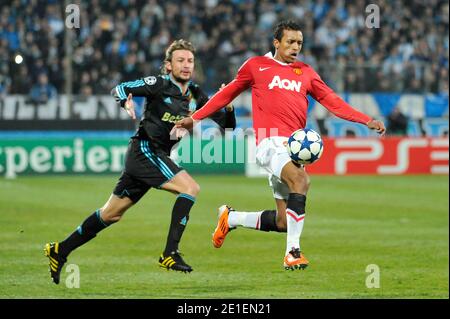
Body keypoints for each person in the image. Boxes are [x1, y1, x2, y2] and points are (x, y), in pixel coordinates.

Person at [173, 21, 386, 270]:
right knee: (301, 181)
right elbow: (226, 94)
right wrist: (195, 117)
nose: (296, 47)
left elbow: (332, 101)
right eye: (290, 42)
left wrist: (366, 120)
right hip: (269, 143)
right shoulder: (256, 66)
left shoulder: (306, 72)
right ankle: (292, 253)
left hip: (294, 149)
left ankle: (231, 218)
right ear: (277, 43)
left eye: (299, 43)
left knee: (284, 221)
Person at [44, 39, 236, 284]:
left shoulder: (196, 93)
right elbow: (120, 88)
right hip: (145, 149)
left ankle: (60, 250)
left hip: (151, 155)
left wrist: (228, 107)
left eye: (190, 61)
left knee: (110, 215)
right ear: (168, 65)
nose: (186, 65)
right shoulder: (158, 84)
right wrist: (125, 101)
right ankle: (170, 253)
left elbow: (227, 126)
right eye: (180, 60)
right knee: (190, 188)